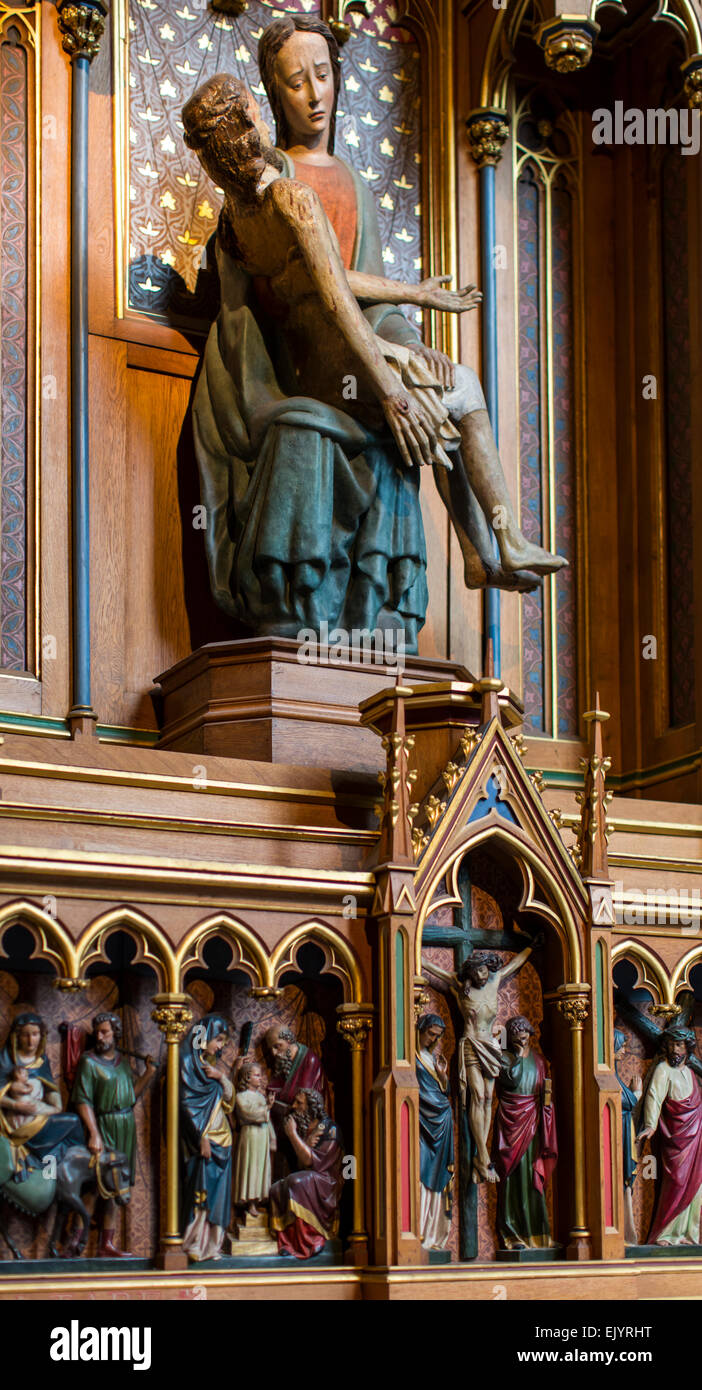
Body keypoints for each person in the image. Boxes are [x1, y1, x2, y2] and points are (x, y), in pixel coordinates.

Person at [184, 23, 565, 650]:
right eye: (295, 80)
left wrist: (408, 338)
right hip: (320, 358)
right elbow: (310, 297)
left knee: (439, 388)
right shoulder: (281, 190)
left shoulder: (348, 187)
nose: (314, 94)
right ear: (269, 99)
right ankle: (497, 541)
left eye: (324, 75)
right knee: (452, 399)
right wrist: (393, 363)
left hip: (353, 340)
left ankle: (486, 550)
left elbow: (349, 281)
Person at [422, 942, 538, 1182]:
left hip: (491, 1047)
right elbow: (434, 969)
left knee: (487, 1100)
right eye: (477, 973)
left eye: (484, 971)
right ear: (470, 974)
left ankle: (480, 1158)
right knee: (477, 1096)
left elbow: (515, 964)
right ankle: (484, 1158)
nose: (482, 976)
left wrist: (531, 946)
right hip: (471, 1045)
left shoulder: (495, 981)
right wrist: (411, 947)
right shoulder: (459, 986)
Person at [71, 1012, 156, 1258]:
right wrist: (94, 1133)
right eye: (97, 1032)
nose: (100, 1036)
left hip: (125, 1125)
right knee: (93, 1186)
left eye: (105, 1031)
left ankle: (106, 1244)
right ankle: (76, 1241)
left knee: (115, 1185)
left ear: (116, 1034)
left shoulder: (122, 1062)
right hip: (103, 1125)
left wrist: (148, 1073)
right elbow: (83, 1100)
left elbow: (131, 1097)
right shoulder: (89, 1062)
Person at [491, 1016, 557, 1251]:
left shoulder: (540, 1061)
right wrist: (517, 1056)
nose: (523, 1039)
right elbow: (509, 1081)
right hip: (511, 1124)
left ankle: (537, 1233)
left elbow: (545, 1091)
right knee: (511, 1178)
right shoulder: (505, 1058)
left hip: (534, 1121)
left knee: (533, 1178)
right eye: (518, 1036)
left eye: (526, 1035)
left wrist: (546, 1105)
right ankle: (512, 1234)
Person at [637, 1025, 702, 1247]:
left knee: (696, 1190)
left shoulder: (691, 1074)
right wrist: (650, 1125)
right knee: (675, 1183)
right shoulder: (663, 1070)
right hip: (675, 1141)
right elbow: (654, 1097)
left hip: (695, 1141)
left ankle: (688, 1235)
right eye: (673, 1044)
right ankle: (666, 1234)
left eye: (680, 1045)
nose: (675, 1050)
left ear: (688, 1047)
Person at [0, 1013, 84, 1180]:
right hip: (15, 1121)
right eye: (25, 1035)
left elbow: (50, 1088)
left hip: (37, 1114)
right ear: (17, 1036)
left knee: (67, 1127)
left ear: (42, 1036)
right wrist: (16, 1106)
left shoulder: (41, 1060)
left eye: (35, 1034)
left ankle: (53, 1169)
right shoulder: (6, 1060)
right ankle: (59, 1165)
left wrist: (56, 1106)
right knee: (73, 1123)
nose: (31, 1041)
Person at [179, 1013, 236, 1262]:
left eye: (223, 1041)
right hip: (202, 1142)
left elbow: (229, 1103)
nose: (220, 1046)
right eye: (218, 1039)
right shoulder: (186, 1064)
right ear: (204, 1036)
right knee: (200, 1192)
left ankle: (213, 1246)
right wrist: (200, 1136)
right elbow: (185, 1104)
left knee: (219, 1197)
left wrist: (222, 1078)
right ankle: (192, 1243)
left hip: (224, 1141)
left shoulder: (210, 1068)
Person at [269, 1088, 343, 1258]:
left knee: (297, 1183)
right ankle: (288, 1242)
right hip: (312, 1176)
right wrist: (304, 1142)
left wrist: (293, 1135)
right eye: (294, 1102)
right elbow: (302, 1162)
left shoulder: (329, 1128)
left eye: (299, 1103)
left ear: (312, 1107)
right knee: (276, 1188)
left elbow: (312, 1162)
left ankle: (312, 1239)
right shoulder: (309, 1128)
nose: (294, 1107)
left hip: (326, 1181)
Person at [416, 1014, 454, 1252]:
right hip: (421, 1122)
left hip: (442, 1123)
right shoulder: (412, 1057)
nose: (434, 1040)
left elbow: (444, 1091)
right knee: (420, 1172)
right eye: (431, 1034)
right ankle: (418, 1232)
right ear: (420, 1030)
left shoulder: (431, 1058)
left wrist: (442, 1075)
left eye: (438, 1036)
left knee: (439, 1177)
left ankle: (433, 1234)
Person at [233, 1060, 275, 1216]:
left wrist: (272, 1137)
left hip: (261, 1137)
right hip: (250, 1137)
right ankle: (250, 1203)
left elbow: (267, 1119)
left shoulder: (261, 1097)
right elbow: (249, 1114)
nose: (260, 1078)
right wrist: (268, 1108)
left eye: (260, 1075)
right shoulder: (241, 1097)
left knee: (261, 1168)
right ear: (247, 1078)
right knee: (251, 1168)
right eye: (256, 1075)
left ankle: (258, 1200)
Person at [614, 1028, 640, 1244]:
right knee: (618, 1181)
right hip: (617, 1137)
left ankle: (628, 1231)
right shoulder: (609, 1079)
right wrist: (636, 1095)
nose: (624, 1050)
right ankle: (620, 1232)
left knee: (625, 1183)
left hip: (625, 1132)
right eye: (620, 1046)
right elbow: (626, 1101)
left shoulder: (617, 1079)